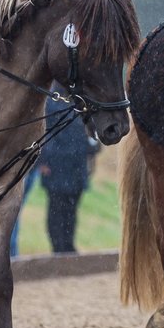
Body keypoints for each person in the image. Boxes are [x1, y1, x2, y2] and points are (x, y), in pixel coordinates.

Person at [39, 96, 98, 254]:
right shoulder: (52, 101)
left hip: (76, 166)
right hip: (56, 166)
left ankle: (68, 245)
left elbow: (91, 134)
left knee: (71, 209)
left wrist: (92, 147)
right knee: (57, 210)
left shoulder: (82, 102)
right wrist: (43, 160)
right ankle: (59, 247)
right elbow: (44, 132)